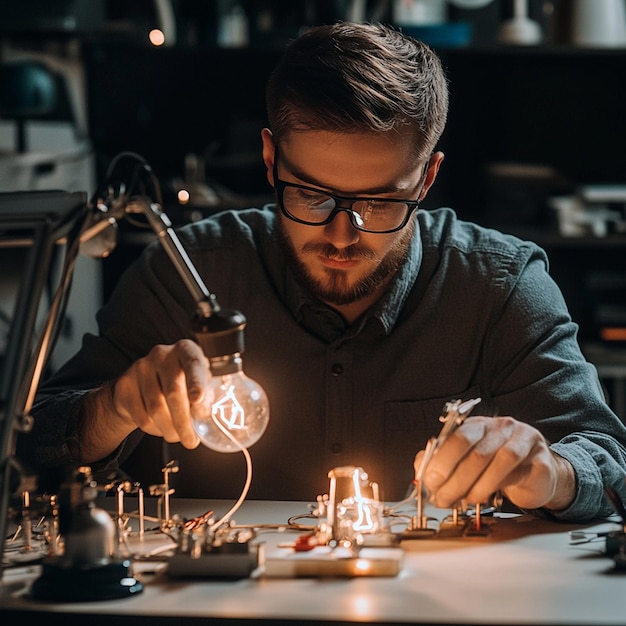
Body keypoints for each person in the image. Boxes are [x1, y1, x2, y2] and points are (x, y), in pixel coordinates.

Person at [18, 22, 626, 522]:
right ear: (268, 158)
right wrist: (116, 407)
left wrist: (552, 472)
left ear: (428, 177)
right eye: (311, 196)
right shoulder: (185, 274)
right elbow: (30, 443)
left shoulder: (500, 287)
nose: (342, 234)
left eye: (381, 203)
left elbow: (611, 460)